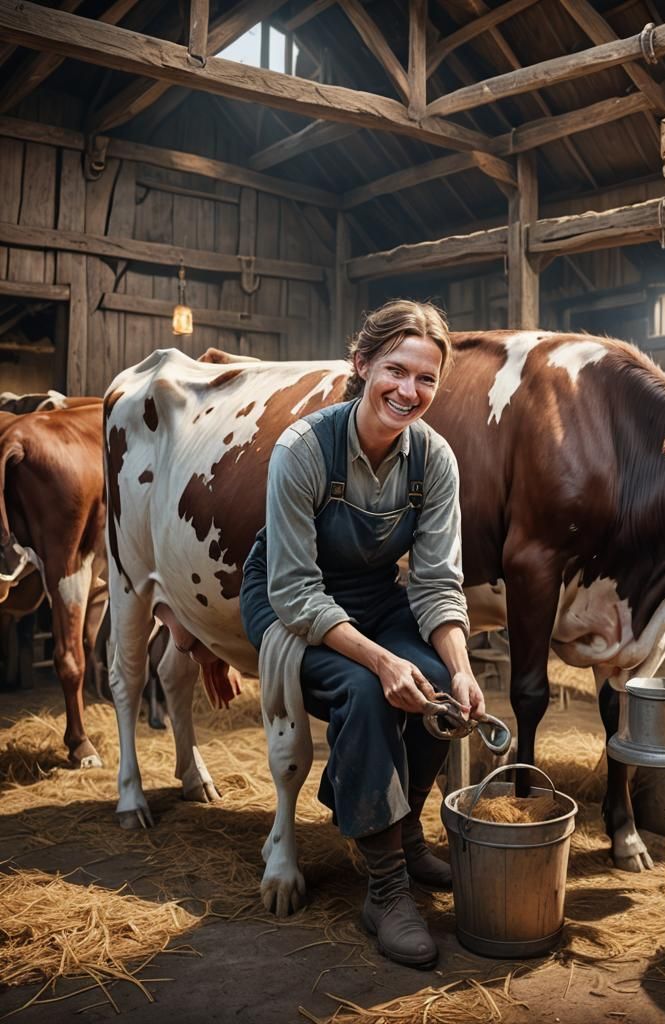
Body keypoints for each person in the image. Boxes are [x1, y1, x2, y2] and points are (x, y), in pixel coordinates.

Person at [239, 299, 485, 969]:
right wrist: (380, 661)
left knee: (440, 690)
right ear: (362, 364)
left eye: (426, 378)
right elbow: (295, 591)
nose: (409, 391)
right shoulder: (303, 449)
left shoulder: (433, 459)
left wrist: (462, 669)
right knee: (370, 692)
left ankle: (402, 835)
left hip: (373, 597)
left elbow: (437, 583)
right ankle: (385, 891)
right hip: (288, 602)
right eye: (396, 371)